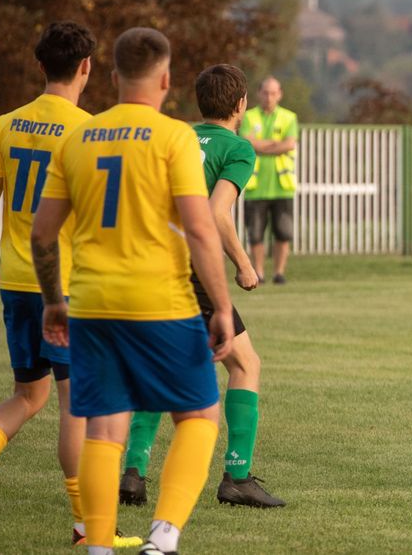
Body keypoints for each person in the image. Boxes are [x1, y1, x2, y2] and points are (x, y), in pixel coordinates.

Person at [31, 27, 233, 555]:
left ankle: (98, 544)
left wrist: (54, 299)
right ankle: (162, 539)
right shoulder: (174, 137)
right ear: (166, 79)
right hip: (161, 302)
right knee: (199, 414)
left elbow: (42, 233)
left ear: (113, 76)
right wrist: (223, 306)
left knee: (104, 427)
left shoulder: (77, 138)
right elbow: (200, 228)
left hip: (93, 304)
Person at [0, 22, 141, 548]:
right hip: (64, 289)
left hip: (17, 283)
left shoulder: (7, 125)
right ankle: (88, 527)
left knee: (25, 395)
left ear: (40, 66)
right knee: (73, 404)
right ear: (87, 68)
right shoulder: (89, 131)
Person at [119, 64, 285, 509]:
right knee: (245, 365)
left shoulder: (174, 136)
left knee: (159, 367)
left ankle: (132, 473)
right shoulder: (237, 148)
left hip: (151, 263)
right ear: (241, 104)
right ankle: (237, 477)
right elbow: (215, 214)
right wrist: (245, 264)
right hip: (195, 270)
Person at [241, 76, 298, 285]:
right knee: (255, 234)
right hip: (256, 187)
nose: (269, 97)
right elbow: (247, 142)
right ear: (259, 93)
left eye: (273, 93)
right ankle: (259, 272)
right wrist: (274, 145)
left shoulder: (289, 117)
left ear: (280, 94)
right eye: (265, 92)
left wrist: (261, 145)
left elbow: (289, 144)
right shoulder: (248, 117)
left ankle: (279, 273)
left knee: (283, 233)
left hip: (282, 187)